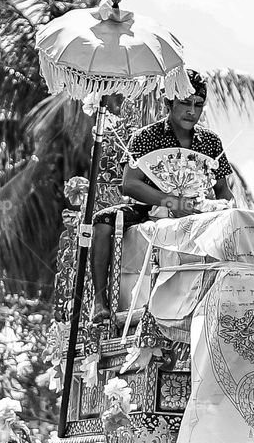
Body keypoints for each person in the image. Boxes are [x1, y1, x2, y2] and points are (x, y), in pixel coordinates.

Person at [90, 70, 233, 322]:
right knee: (102, 221)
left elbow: (223, 191)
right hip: (148, 207)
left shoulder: (211, 142)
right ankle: (99, 301)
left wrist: (222, 209)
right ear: (169, 103)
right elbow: (130, 185)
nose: (192, 111)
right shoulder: (147, 136)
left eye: (198, 105)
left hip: (196, 210)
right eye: (185, 103)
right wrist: (171, 201)